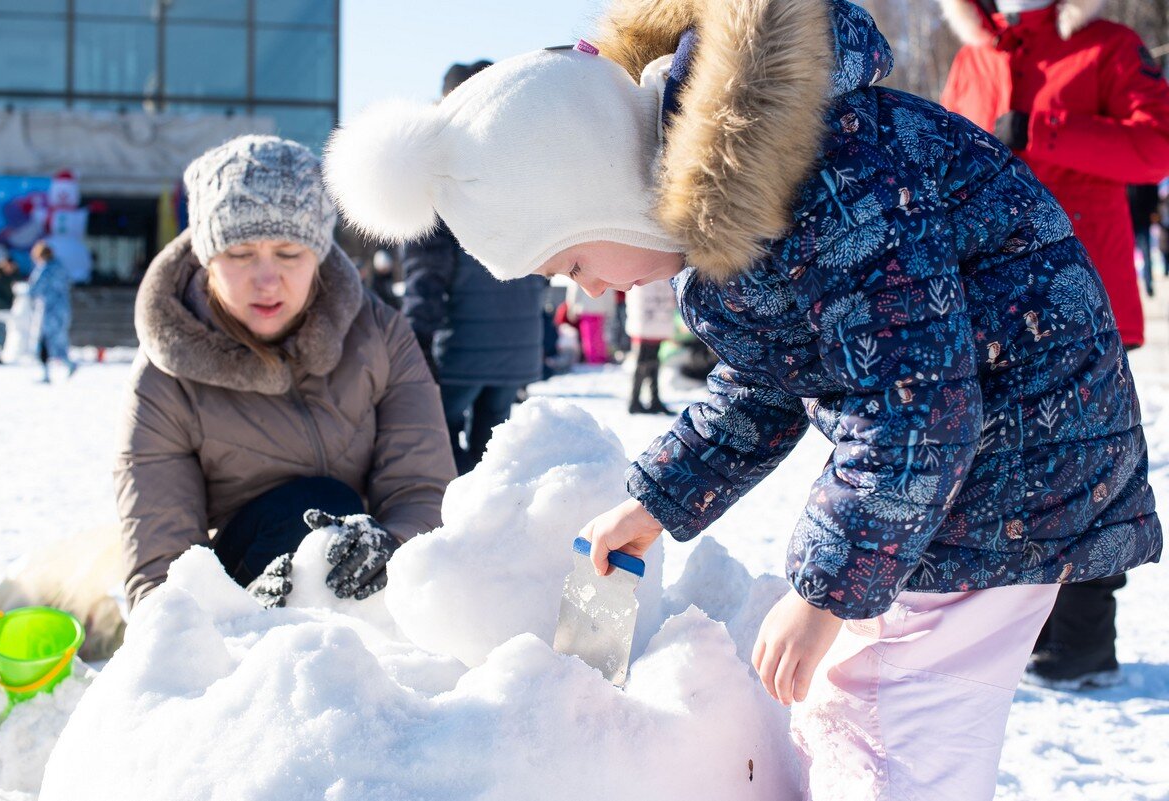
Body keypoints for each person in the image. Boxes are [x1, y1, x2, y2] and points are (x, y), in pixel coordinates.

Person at [323, 0, 1161, 796]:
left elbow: (916, 405)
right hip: (965, 466)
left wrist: (825, 590)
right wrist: (650, 502)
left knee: (887, 717)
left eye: (572, 266)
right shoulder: (744, 209)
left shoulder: (826, 180)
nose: (585, 296)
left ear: (597, 194)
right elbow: (765, 383)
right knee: (854, 700)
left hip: (1013, 464)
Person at [115, 135, 456, 611]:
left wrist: (391, 551)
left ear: (318, 254)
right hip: (238, 588)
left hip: (371, 587)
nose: (267, 279)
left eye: (289, 253)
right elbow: (159, 574)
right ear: (206, 257)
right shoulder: (164, 376)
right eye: (240, 254)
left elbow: (422, 489)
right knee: (308, 501)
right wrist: (233, 615)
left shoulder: (380, 335)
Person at [939, 0, 1169, 690]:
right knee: (996, 470)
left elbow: (1157, 144)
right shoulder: (970, 57)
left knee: (1086, 472)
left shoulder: (1109, 46)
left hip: (1082, 299)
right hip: (984, 304)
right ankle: (1016, 629)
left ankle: (1083, 636)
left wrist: (1044, 129)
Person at [400, 60, 548, 475]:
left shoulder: (436, 173)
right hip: (517, 341)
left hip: (460, 348)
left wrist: (417, 342)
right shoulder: (527, 166)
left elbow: (425, 276)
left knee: (438, 455)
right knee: (490, 459)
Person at [623, 279, 676, 414]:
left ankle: (653, 399)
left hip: (653, 313)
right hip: (647, 312)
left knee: (653, 359)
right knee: (643, 359)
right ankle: (635, 400)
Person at [27, 241, 77, 382]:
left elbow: (33, 288)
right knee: (59, 341)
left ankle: (46, 374)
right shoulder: (61, 267)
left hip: (48, 311)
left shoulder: (44, 269)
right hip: (63, 309)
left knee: (44, 341)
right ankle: (68, 364)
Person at [565, 281, 614, 365]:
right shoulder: (607, 272)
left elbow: (574, 291)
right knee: (599, 336)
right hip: (600, 309)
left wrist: (571, 307)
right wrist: (610, 309)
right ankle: (599, 358)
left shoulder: (581, 270)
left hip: (587, 309)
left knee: (589, 337)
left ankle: (593, 360)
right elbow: (610, 294)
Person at [1129, 184, 1159, 296]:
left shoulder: (1144, 177)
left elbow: (1153, 192)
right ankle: (1132, 288)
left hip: (1142, 221)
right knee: (1127, 256)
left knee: (1146, 254)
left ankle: (1148, 284)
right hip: (1128, 221)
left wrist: (1153, 211)